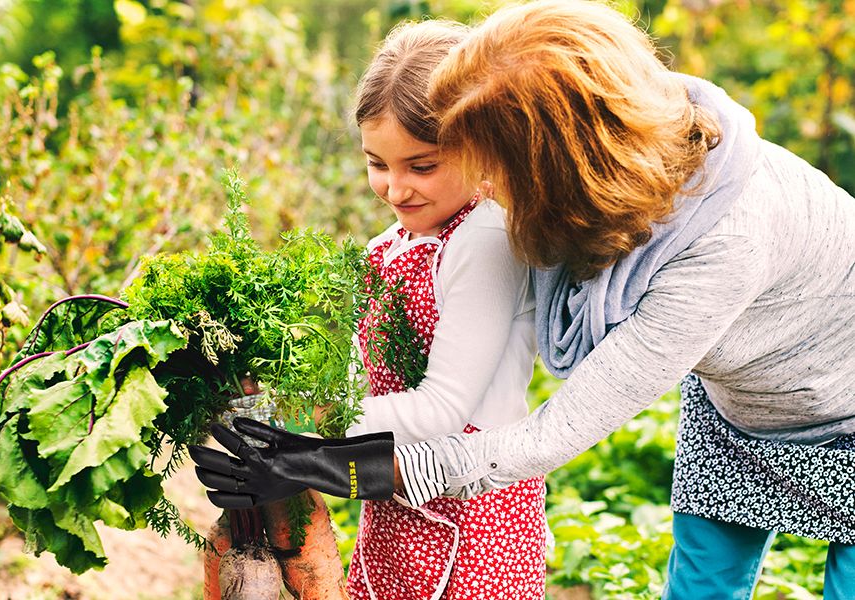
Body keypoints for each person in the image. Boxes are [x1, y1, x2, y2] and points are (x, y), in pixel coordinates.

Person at [191, 1, 855, 597]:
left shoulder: (722, 249)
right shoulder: (632, 134)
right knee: (703, 582)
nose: (483, 186)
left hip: (846, 412)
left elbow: (539, 440)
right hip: (738, 406)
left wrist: (334, 465)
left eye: (495, 165)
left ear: (561, 161)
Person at [194, 20, 549, 600]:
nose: (395, 187)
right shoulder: (386, 248)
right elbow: (363, 382)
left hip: (475, 510)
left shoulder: (485, 239)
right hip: (391, 497)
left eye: (422, 165)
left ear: (482, 142)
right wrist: (270, 405)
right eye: (378, 163)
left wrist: (304, 436)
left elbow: (443, 408)